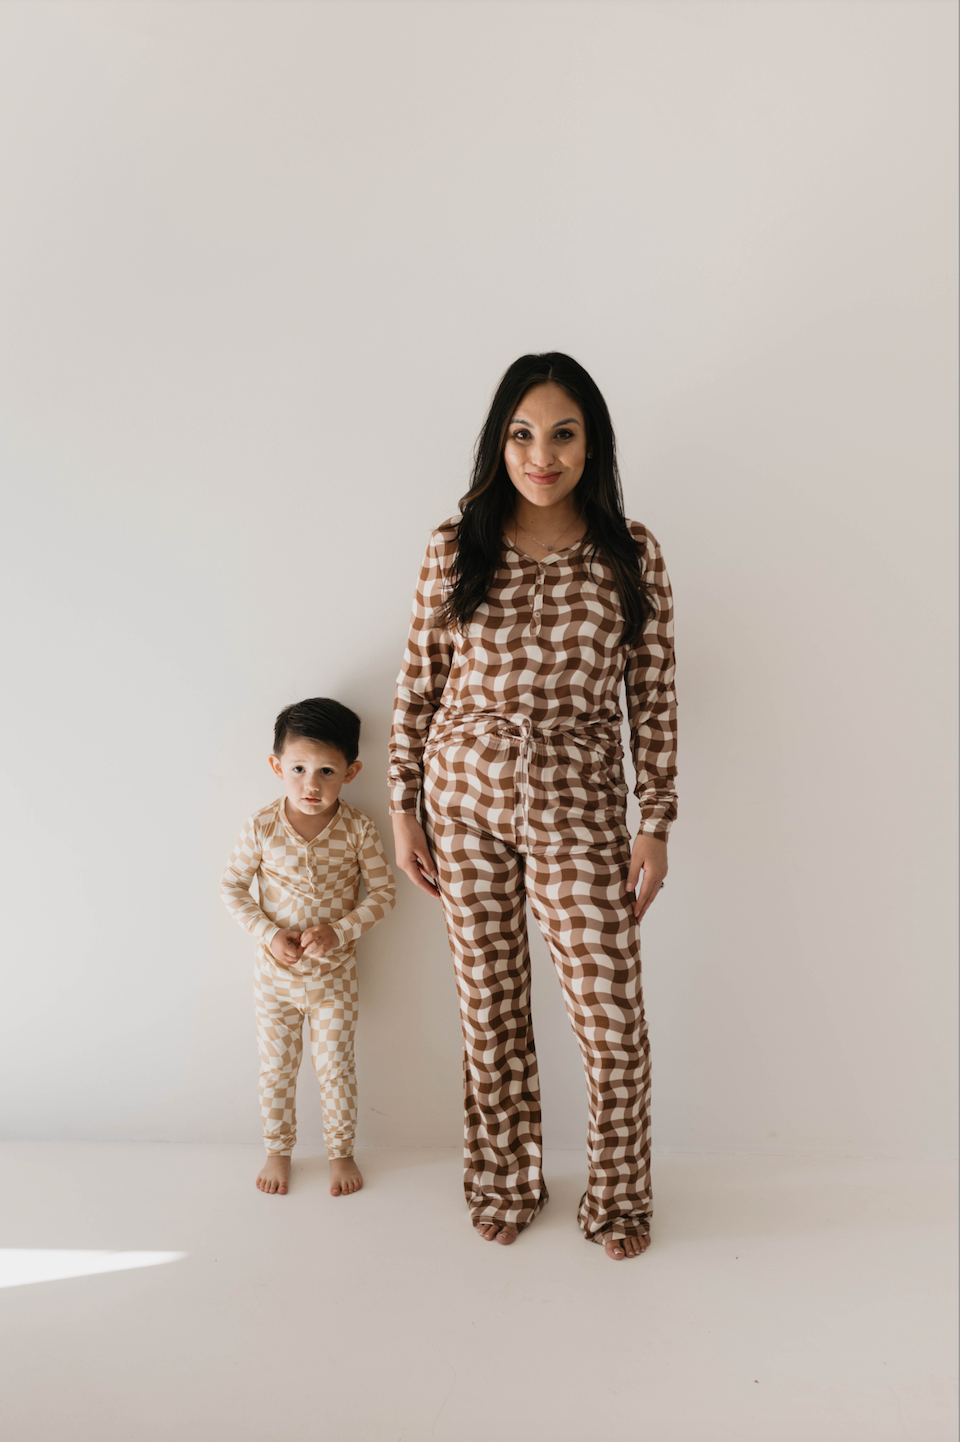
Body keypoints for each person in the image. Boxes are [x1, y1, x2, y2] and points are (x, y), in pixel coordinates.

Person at [389, 353, 677, 1261]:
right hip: (462, 798)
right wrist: (404, 809)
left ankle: (620, 1201)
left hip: (579, 804)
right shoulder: (454, 545)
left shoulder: (629, 554)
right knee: (491, 1009)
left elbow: (654, 696)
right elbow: (417, 688)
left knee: (611, 1017)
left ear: (591, 444)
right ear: (498, 442)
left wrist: (654, 823)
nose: (540, 455)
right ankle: (505, 1180)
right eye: (521, 434)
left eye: (562, 433)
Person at [222, 697, 396, 1197]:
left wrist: (339, 931)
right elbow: (231, 887)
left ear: (351, 772)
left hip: (334, 980)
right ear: (277, 766)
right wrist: (269, 934)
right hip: (274, 980)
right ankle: (278, 1151)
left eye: (326, 771)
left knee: (336, 1067)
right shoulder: (261, 827)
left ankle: (341, 1154)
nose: (311, 784)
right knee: (276, 1068)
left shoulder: (359, 830)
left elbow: (384, 894)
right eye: (298, 769)